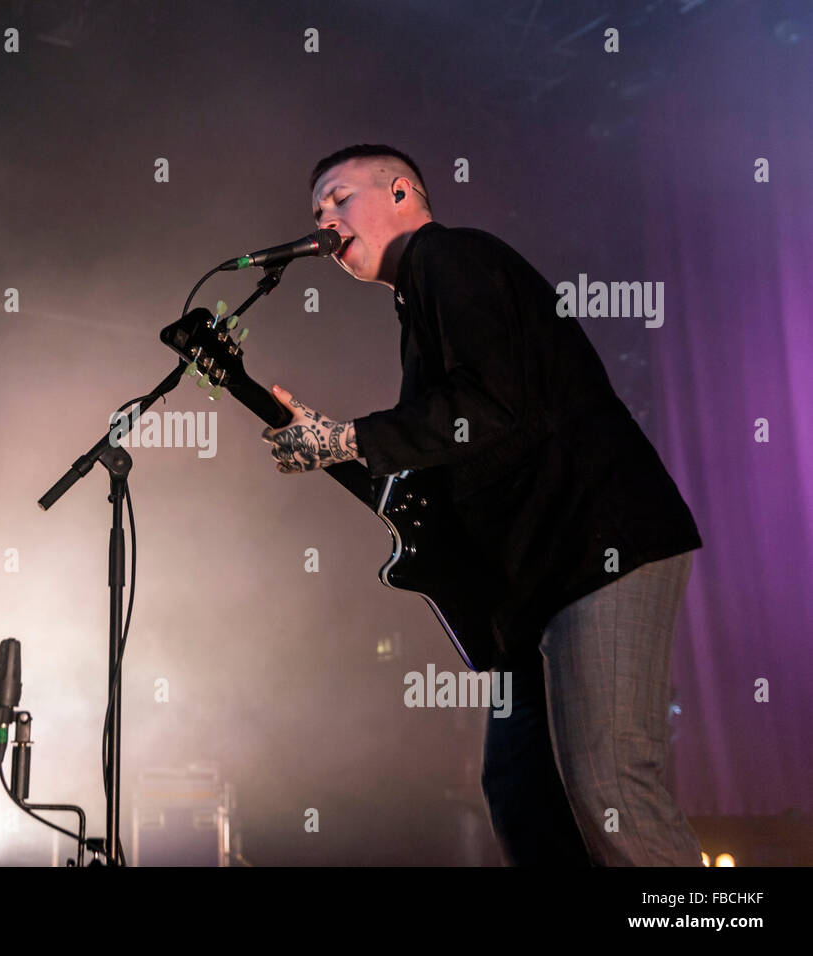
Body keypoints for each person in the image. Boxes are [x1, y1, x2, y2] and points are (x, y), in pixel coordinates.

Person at [261, 144, 704, 866]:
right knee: (523, 795)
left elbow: (492, 404)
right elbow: (444, 463)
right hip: (535, 589)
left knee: (614, 792)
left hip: (596, 546)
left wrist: (344, 437)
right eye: (315, 212)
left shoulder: (450, 258)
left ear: (403, 192)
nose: (325, 223)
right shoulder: (421, 304)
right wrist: (333, 446)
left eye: (339, 199)